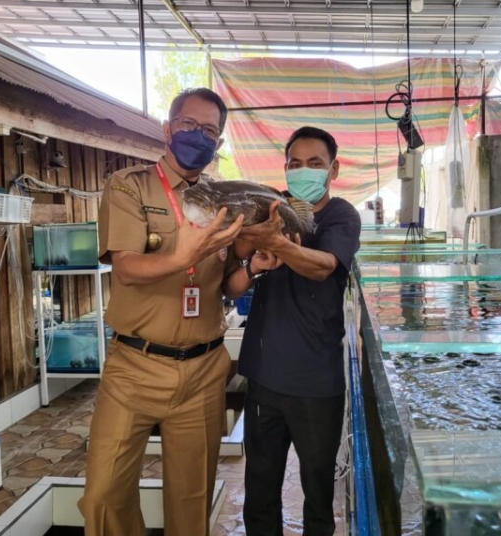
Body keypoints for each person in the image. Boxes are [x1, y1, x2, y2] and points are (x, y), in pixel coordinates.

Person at [78, 88, 246, 536]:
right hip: (134, 366)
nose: (198, 136)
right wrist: (179, 255)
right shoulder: (129, 185)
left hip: (204, 369)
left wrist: (255, 265)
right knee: (103, 496)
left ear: (219, 143)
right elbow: (128, 268)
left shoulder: (224, 201)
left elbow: (228, 282)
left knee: (191, 502)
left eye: (209, 130)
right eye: (188, 125)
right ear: (168, 128)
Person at [225, 126, 361, 536]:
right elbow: (232, 276)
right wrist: (251, 253)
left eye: (315, 163)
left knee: (317, 493)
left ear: (333, 169)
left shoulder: (341, 215)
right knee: (260, 488)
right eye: (295, 163)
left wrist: (278, 243)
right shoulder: (269, 207)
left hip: (317, 383)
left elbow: (323, 265)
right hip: (265, 376)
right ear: (285, 168)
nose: (304, 170)